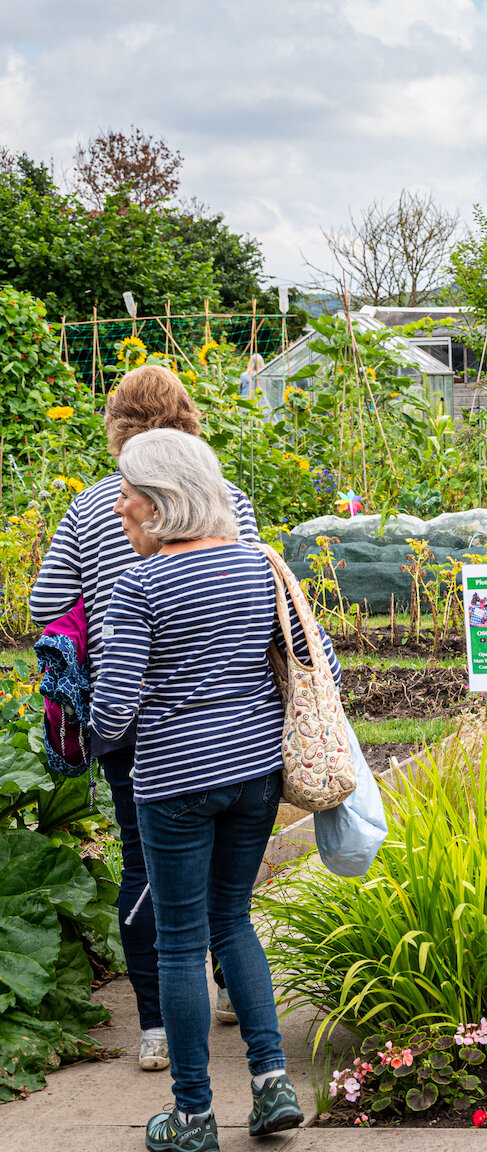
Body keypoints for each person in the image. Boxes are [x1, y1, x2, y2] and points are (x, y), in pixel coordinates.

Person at [89, 430, 332, 1151]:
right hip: (255, 777)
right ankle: (271, 1085)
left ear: (160, 500)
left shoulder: (138, 585)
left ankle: (192, 1116)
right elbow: (318, 664)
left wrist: (90, 705)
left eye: (129, 489)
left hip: (175, 784)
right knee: (234, 924)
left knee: (179, 943)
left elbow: (111, 713)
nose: (120, 503)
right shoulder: (260, 566)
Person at [28, 365, 261, 1076]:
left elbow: (44, 604)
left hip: (127, 720)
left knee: (144, 864)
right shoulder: (230, 500)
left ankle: (156, 1026)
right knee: (226, 879)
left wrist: (94, 635)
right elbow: (248, 594)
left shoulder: (93, 505)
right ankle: (228, 995)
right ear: (190, 421)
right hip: (231, 721)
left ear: (117, 427)